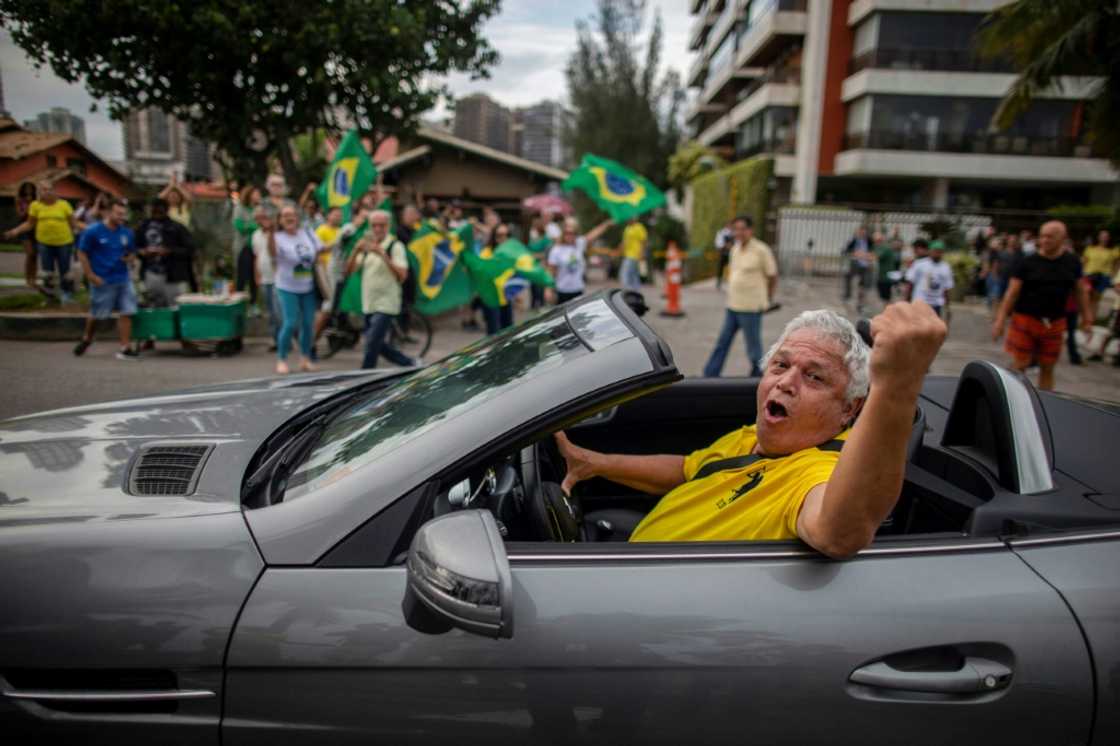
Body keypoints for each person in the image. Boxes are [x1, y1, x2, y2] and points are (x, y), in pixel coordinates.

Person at [554, 302, 947, 557]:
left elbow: (838, 532)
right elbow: (687, 469)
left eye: (814, 377)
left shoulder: (817, 471)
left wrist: (896, 386)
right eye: (780, 365)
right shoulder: (756, 438)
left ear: (849, 409)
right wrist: (595, 463)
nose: (786, 383)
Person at [993, 221, 1092, 391]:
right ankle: (1013, 397)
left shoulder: (1072, 262)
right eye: (1042, 236)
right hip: (1025, 318)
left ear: (1062, 238)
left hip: (1055, 321)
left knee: (1048, 365)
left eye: (1050, 237)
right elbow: (1012, 293)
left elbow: (1080, 291)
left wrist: (1087, 317)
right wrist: (1000, 320)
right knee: (1020, 363)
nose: (1044, 240)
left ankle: (1046, 401)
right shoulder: (1027, 262)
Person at [703, 215, 778, 378]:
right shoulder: (735, 249)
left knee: (753, 349)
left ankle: (758, 378)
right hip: (733, 306)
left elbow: (772, 275)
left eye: (743, 229)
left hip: (751, 308)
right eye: (736, 229)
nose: (739, 232)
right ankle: (709, 375)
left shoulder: (761, 250)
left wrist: (769, 298)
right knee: (722, 343)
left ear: (751, 230)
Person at [345, 209, 417, 369]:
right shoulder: (366, 246)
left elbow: (402, 275)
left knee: (371, 344)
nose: (377, 229)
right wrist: (356, 250)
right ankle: (409, 363)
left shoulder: (395, 245)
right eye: (374, 225)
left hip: (387, 303)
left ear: (388, 226)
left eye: (382, 225)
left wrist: (383, 255)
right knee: (375, 342)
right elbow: (349, 271)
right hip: (368, 303)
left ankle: (364, 375)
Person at [72, 199, 139, 360]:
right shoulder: (93, 231)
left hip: (123, 278)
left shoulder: (127, 233)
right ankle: (87, 338)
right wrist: (90, 275)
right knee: (97, 315)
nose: (121, 217)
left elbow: (131, 253)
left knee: (127, 311)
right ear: (108, 212)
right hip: (102, 279)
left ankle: (125, 347)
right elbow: (82, 252)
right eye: (118, 213)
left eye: (123, 214)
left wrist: (129, 258)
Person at [268, 205, 329, 375]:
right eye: (285, 215)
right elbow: (272, 253)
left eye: (292, 215)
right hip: (287, 287)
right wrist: (270, 235)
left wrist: (344, 240)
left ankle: (305, 358)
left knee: (309, 324)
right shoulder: (277, 237)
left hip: (308, 286)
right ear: (280, 219)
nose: (290, 218)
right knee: (290, 322)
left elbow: (322, 249)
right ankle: (282, 359)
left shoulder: (307, 233)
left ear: (298, 217)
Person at [4, 180, 83, 304]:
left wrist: (90, 228)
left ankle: (66, 296)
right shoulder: (35, 206)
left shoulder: (64, 205)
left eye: (48, 189)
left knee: (65, 271)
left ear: (53, 190)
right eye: (42, 190)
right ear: (39, 192)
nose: (46, 192)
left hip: (64, 243)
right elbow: (29, 223)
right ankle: (50, 297)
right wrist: (15, 231)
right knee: (47, 273)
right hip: (45, 244)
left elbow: (74, 223)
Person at [136, 198, 194, 307]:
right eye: (154, 210)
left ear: (166, 210)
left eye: (160, 211)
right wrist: (143, 252)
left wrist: (169, 251)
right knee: (153, 307)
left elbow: (190, 250)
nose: (157, 213)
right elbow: (135, 248)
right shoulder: (143, 227)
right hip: (151, 274)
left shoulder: (177, 227)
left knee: (175, 308)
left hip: (173, 276)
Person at [547, 217, 613, 304]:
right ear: (563, 233)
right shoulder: (556, 250)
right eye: (567, 233)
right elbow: (551, 272)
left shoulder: (579, 243)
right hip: (562, 291)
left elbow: (594, 234)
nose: (570, 236)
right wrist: (548, 289)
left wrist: (606, 224)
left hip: (578, 290)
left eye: (573, 233)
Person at [6, 182, 43, 295]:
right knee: (30, 254)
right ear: (23, 189)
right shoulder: (19, 200)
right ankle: (28, 279)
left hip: (36, 228)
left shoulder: (37, 200)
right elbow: (20, 215)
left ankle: (34, 279)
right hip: (24, 227)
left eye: (30, 188)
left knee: (35, 255)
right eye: (26, 188)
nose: (28, 190)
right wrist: (29, 207)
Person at [250, 208, 279, 350]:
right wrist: (256, 275)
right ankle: (275, 339)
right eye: (260, 219)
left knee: (277, 311)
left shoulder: (278, 234)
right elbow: (256, 257)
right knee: (270, 311)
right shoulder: (255, 235)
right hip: (264, 278)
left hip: (277, 278)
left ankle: (282, 338)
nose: (263, 221)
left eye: (266, 218)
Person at [904, 240, 954, 319]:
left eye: (940, 251)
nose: (937, 253)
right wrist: (906, 302)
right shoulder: (919, 264)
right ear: (930, 251)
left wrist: (948, 307)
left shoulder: (946, 267)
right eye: (935, 251)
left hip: (935, 305)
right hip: (919, 303)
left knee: (933, 329)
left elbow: (946, 288)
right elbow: (910, 284)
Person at [232, 186, 261, 304]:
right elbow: (239, 226)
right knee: (242, 277)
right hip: (243, 248)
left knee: (254, 278)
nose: (258, 196)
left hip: (256, 248)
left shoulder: (258, 208)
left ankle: (253, 304)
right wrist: (255, 226)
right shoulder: (240, 208)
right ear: (249, 194)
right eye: (256, 193)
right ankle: (238, 302)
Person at [1081, 229, 1117, 323]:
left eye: (1106, 236)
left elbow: (1116, 264)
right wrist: (1082, 275)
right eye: (1102, 236)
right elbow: (1084, 262)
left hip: (1103, 276)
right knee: (1086, 298)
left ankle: (1091, 321)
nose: (1104, 238)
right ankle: (1085, 319)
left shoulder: (1113, 250)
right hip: (1089, 275)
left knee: (1096, 299)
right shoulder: (1090, 248)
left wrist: (1113, 275)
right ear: (1098, 237)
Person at [1088, 265, 1120, 365]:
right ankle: (1099, 353)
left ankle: (1117, 356)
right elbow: (1117, 287)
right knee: (1111, 331)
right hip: (1118, 308)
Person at [842, 226, 873, 312]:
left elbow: (873, 251)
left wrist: (867, 255)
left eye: (864, 232)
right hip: (854, 264)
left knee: (862, 285)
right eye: (860, 232)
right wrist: (855, 254)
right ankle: (847, 296)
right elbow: (845, 251)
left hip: (865, 265)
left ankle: (860, 303)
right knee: (848, 278)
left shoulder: (869, 241)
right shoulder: (853, 241)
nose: (862, 234)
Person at [979, 236, 1008, 311]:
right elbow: (986, 264)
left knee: (996, 296)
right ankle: (992, 312)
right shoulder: (988, 253)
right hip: (992, 276)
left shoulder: (1002, 253)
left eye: (998, 243)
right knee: (991, 295)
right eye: (994, 242)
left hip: (998, 276)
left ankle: (994, 314)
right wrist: (984, 272)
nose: (996, 244)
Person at [619, 216, 648, 290]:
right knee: (634, 275)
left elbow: (644, 241)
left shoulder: (639, 227)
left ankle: (627, 291)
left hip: (634, 255)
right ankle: (636, 293)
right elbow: (624, 242)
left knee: (624, 274)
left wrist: (642, 253)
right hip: (627, 254)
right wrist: (620, 250)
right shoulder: (627, 228)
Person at [874, 236, 901, 304]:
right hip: (886, 276)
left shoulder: (886, 250)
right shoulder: (889, 250)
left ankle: (888, 310)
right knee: (886, 297)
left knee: (886, 298)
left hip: (885, 277)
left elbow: (877, 256)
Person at [714, 220, 733, 290]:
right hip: (723, 252)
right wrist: (725, 245)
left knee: (733, 267)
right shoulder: (721, 233)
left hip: (732, 253)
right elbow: (718, 243)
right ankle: (719, 281)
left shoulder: (733, 233)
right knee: (721, 267)